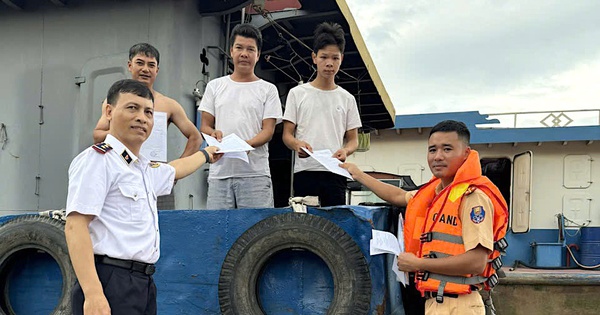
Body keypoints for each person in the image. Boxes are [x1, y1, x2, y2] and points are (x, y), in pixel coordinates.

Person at [65, 79, 221, 315]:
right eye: (132, 108)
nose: (142, 118)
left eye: (148, 112)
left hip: (143, 284)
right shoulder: (97, 161)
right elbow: (76, 226)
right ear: (109, 111)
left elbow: (176, 169)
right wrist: (93, 294)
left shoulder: (141, 169)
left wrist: (207, 155)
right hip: (110, 282)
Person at [341, 120, 508, 315]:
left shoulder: (472, 197)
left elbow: (476, 262)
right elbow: (397, 196)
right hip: (436, 303)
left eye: (447, 149)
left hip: (459, 305)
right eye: (432, 150)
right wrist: (358, 174)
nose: (438, 157)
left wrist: (418, 264)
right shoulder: (436, 193)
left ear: (465, 153)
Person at [198, 23, 282, 209]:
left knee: (257, 233)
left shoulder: (268, 89)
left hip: (256, 175)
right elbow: (205, 126)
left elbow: (268, 131)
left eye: (250, 49)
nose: (244, 53)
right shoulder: (215, 86)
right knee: (219, 232)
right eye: (239, 48)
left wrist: (245, 145)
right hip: (220, 173)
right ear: (231, 51)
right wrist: (213, 133)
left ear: (258, 55)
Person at [282, 22, 362, 207]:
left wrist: (346, 150)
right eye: (324, 57)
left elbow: (353, 140)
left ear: (341, 58)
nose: (329, 63)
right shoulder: (297, 93)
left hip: (336, 171)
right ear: (314, 57)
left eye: (335, 58)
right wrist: (297, 144)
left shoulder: (347, 99)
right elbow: (287, 134)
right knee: (304, 227)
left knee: (333, 227)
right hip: (305, 171)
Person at [93, 43, 202, 159]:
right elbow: (98, 136)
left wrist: (173, 171)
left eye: (151, 65)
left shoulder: (169, 105)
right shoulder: (114, 100)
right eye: (140, 63)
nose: (145, 69)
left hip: (152, 171)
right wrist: (125, 131)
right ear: (130, 66)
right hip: (119, 168)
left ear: (157, 70)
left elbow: (195, 137)